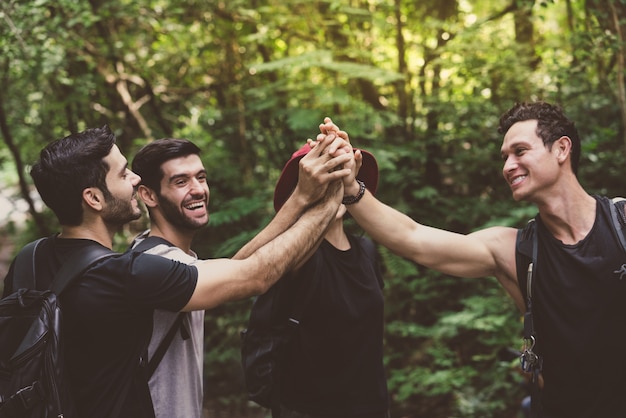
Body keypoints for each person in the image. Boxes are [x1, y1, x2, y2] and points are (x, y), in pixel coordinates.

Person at [2, 124, 352, 418]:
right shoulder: (128, 276)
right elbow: (255, 275)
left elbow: (234, 268)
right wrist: (330, 196)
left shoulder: (29, 260)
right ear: (93, 199)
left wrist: (303, 200)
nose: (135, 178)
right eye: (124, 173)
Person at [320, 102, 626, 418]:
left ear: (562, 149)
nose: (508, 166)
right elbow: (413, 238)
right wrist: (351, 187)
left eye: (520, 151)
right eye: (505, 157)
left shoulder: (622, 224)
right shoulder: (516, 251)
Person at [269, 143, 389, 418]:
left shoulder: (367, 250)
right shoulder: (296, 254)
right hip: (310, 409)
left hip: (372, 406)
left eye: (339, 175)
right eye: (324, 179)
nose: (334, 187)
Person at [129, 138, 208, 418]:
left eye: (200, 177)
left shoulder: (151, 251)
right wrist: (306, 199)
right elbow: (255, 274)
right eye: (181, 182)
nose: (198, 190)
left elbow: (242, 267)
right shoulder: (160, 263)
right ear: (149, 196)